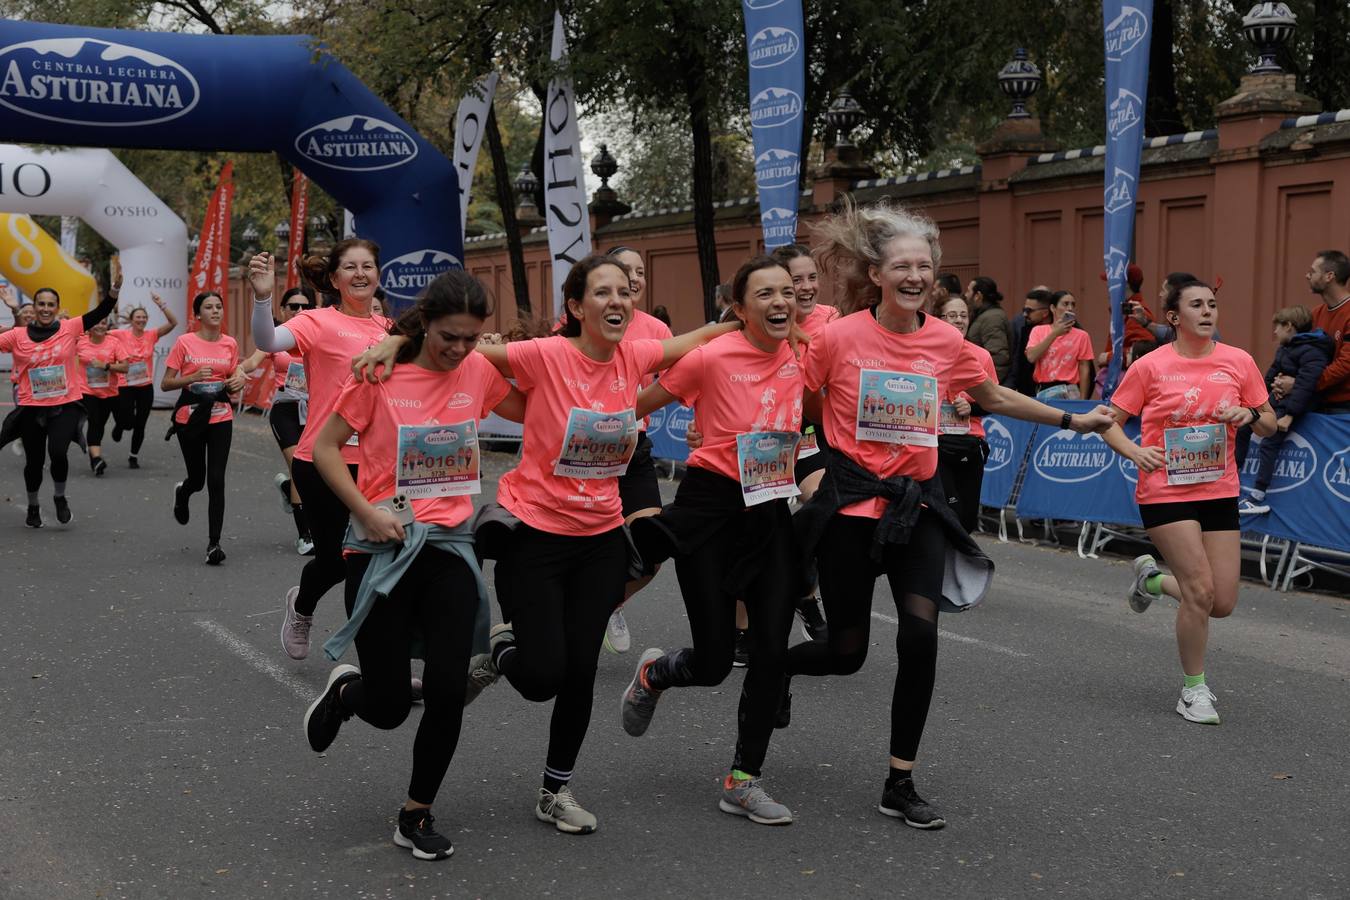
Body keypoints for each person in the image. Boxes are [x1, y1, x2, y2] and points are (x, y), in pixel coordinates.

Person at [355, 253, 741, 835]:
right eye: (603, 292)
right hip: (533, 533)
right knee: (541, 679)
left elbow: (698, 337)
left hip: (600, 539)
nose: (617, 301)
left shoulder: (634, 355)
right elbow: (459, 345)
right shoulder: (546, 354)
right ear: (575, 307)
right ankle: (506, 648)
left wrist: (758, 320)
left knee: (580, 672)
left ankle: (555, 790)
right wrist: (392, 341)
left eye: (624, 293)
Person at [782, 199, 1114, 829]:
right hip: (852, 505)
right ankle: (778, 673)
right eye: (902, 265)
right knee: (844, 651)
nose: (916, 276)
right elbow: (800, 405)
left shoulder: (948, 342)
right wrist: (801, 466)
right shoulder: (836, 338)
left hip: (918, 506)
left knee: (920, 635)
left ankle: (899, 780)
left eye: (925, 266)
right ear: (875, 273)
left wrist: (1074, 418)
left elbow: (991, 395)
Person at [303, 271, 523, 862]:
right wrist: (365, 513)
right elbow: (326, 448)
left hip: (450, 548)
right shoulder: (379, 374)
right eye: (450, 337)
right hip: (380, 551)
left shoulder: (477, 371)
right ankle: (350, 694)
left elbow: (538, 403)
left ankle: (416, 814)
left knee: (449, 690)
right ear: (425, 323)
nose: (458, 350)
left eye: (471, 339)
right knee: (391, 705)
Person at [620, 256, 804, 825]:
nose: (780, 303)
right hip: (710, 507)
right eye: (766, 295)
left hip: (769, 507)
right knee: (717, 661)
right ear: (740, 308)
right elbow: (635, 407)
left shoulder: (804, 355)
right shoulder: (710, 356)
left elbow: (825, 412)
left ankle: (744, 780)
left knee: (773, 648)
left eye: (787, 293)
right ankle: (656, 672)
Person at [1102, 279, 1274, 725]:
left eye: (1213, 304)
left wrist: (1250, 415)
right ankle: (1193, 690)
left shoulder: (1239, 361)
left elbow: (1270, 421)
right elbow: (1110, 421)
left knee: (1222, 602)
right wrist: (1135, 451)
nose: (1208, 311)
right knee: (1199, 591)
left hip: (1219, 490)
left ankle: (1152, 583)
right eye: (1196, 304)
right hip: (1165, 491)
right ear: (1175, 317)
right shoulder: (1151, 366)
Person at [249, 244, 393, 661]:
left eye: (368, 265)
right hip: (322, 460)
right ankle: (302, 605)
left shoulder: (391, 329)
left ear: (378, 274)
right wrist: (262, 296)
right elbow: (268, 339)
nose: (360, 273)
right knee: (335, 563)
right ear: (334, 279)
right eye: (350, 267)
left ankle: (381, 666)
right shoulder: (316, 321)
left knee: (373, 563)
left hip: (376, 464)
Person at [601, 245, 673, 656]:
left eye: (640, 271)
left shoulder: (656, 330)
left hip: (634, 446)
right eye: (623, 270)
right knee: (590, 541)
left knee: (654, 542)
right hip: (584, 449)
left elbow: (687, 376)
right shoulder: (577, 323)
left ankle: (609, 603)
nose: (633, 278)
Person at [0, 280, 119, 526]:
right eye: (41, 304)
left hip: (64, 405)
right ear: (34, 307)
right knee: (34, 462)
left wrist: (113, 293)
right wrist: (13, 309)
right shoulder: (17, 335)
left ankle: (59, 496)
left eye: (50, 305)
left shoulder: (70, 327)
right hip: (31, 407)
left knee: (57, 453)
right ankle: (33, 506)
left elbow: (100, 313)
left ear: (57, 307)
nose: (45, 308)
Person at [769, 242, 836, 642]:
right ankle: (744, 633)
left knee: (821, 499)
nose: (808, 288)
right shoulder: (762, 322)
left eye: (813, 278)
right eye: (797, 281)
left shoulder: (832, 319)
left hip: (812, 428)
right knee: (756, 526)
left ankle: (803, 589)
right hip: (767, 433)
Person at [162, 291, 243, 565]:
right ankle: (183, 492)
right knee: (197, 479)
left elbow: (233, 377)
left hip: (221, 415)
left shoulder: (230, 344)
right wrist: (193, 376)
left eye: (219, 306)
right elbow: (166, 383)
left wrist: (236, 382)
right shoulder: (184, 342)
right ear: (198, 315)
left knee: (216, 481)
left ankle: (213, 544)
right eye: (208, 307)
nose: (215, 311)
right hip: (190, 416)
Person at [1235, 305, 1333, 515]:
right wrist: (1255, 401)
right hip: (1278, 401)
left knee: (1269, 443)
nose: (1274, 332)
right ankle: (1232, 481)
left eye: (1277, 327)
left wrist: (1289, 415)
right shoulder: (1286, 349)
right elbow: (1269, 376)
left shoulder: (1313, 351)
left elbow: (1306, 385)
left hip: (1296, 406)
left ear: (1289, 326)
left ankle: (1258, 495)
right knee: (1243, 429)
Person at [241, 286, 316, 555]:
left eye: (305, 307)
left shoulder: (317, 337)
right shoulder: (276, 339)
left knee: (311, 473)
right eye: (293, 306)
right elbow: (252, 362)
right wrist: (237, 371)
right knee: (298, 466)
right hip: (285, 409)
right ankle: (304, 535)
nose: (299, 311)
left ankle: (287, 487)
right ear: (283, 310)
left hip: (316, 412)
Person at [933, 292, 997, 531]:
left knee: (967, 519)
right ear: (938, 318)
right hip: (935, 444)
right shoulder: (925, 352)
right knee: (947, 513)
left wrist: (971, 408)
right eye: (952, 315)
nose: (959, 320)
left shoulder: (981, 355)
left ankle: (958, 566)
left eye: (963, 315)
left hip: (970, 442)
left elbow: (994, 401)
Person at [110, 292, 179, 469]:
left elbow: (173, 323)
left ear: (146, 320)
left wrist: (161, 304)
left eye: (143, 317)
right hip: (125, 385)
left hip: (145, 386)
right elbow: (100, 332)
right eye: (137, 317)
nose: (141, 320)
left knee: (141, 423)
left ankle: (133, 456)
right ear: (132, 320)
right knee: (127, 421)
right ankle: (120, 425)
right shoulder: (120, 335)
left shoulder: (151, 335)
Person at [1285, 250, 1350, 413]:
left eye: (1313, 272)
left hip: (1343, 409)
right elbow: (1297, 353)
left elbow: (1345, 365)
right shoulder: (1315, 314)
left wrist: (1301, 383)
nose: (1307, 276)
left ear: (1329, 276)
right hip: (1315, 401)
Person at [77, 317, 129, 476]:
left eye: (103, 323)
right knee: (95, 423)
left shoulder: (114, 343)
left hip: (110, 392)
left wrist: (106, 366)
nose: (100, 325)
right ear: (89, 328)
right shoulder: (80, 342)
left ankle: (119, 427)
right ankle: (96, 459)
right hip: (87, 391)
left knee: (125, 422)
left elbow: (125, 367)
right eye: (96, 322)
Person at [1025, 290, 1093, 399]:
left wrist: (1083, 399)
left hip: (1070, 390)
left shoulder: (1082, 336)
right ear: (1053, 308)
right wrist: (1055, 333)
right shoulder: (1038, 331)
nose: (1070, 308)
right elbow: (1031, 357)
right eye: (1065, 304)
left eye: (1072, 304)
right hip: (1045, 389)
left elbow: (1084, 368)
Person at [1005, 288, 1053, 396]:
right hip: (1027, 392)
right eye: (1024, 310)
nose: (1025, 314)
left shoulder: (1065, 330)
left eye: (1029, 310)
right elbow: (1018, 361)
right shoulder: (1024, 328)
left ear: (1045, 312)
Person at [964, 276, 1011, 381]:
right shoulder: (984, 315)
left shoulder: (992, 318)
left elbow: (999, 358)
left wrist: (986, 386)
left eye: (968, 291)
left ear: (978, 295)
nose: (966, 295)